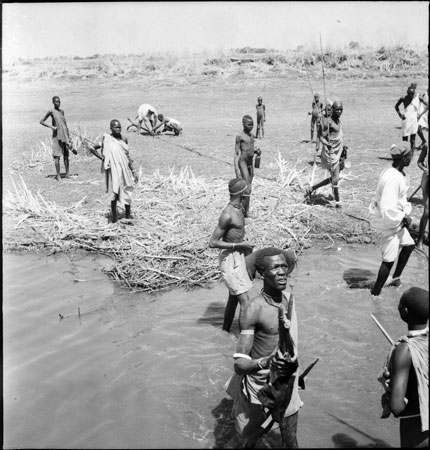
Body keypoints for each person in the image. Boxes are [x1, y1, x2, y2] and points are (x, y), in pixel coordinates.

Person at [225, 247, 302, 448]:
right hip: (260, 390)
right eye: (275, 267)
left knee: (291, 441)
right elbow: (240, 364)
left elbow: (287, 343)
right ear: (262, 274)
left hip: (286, 384)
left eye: (284, 266)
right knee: (246, 442)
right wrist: (266, 362)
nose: (282, 271)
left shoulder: (288, 298)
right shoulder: (253, 309)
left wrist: (295, 373)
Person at [377, 287, 428, 448]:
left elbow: (397, 406)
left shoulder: (404, 350)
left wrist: (388, 387)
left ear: (404, 311)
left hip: (418, 431)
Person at [369, 143, 415, 296]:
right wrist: (403, 217)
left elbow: (399, 200)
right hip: (386, 224)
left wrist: (404, 212)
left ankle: (396, 278)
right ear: (404, 158)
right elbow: (388, 208)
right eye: (410, 155)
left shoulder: (397, 173)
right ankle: (375, 294)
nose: (412, 157)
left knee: (409, 245)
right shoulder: (392, 178)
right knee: (389, 260)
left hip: (395, 222)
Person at [209, 178, 254, 331]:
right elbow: (213, 242)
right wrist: (239, 245)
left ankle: (225, 331)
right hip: (230, 259)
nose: (249, 191)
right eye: (247, 189)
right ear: (243, 192)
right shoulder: (227, 214)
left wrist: (243, 247)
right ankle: (244, 340)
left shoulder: (239, 207)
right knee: (245, 302)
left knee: (233, 298)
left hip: (238, 256)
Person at [221, 248, 297, 333]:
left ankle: (225, 330)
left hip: (237, 267)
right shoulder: (274, 258)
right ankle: (243, 335)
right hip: (239, 269)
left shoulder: (272, 255)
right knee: (245, 305)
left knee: (233, 300)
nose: (283, 272)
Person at [87, 120, 138, 223]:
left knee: (127, 191)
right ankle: (114, 217)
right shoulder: (106, 139)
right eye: (115, 127)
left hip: (124, 170)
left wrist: (133, 171)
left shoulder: (124, 139)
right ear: (111, 128)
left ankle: (128, 216)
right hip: (114, 170)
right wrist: (103, 159)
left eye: (119, 127)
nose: (118, 129)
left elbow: (127, 157)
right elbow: (92, 148)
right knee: (115, 193)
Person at [305, 100, 345, 208]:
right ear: (333, 110)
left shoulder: (338, 121)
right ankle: (337, 202)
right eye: (337, 110)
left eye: (341, 109)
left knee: (333, 178)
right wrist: (327, 144)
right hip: (331, 153)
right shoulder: (329, 122)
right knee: (335, 179)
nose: (340, 111)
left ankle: (311, 188)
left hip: (338, 152)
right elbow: (320, 136)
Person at [39, 96, 74, 181]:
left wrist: (69, 137)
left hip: (64, 135)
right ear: (53, 103)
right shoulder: (51, 111)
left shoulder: (62, 111)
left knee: (66, 155)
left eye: (59, 101)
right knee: (57, 156)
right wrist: (52, 127)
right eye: (56, 102)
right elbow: (41, 121)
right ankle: (58, 176)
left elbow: (65, 124)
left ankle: (67, 174)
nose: (58, 103)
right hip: (56, 136)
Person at [234, 115, 261, 218]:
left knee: (249, 188)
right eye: (249, 125)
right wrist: (237, 169)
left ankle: (246, 212)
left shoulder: (251, 136)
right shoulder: (240, 137)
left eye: (252, 125)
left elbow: (250, 149)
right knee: (247, 188)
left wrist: (256, 152)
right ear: (243, 124)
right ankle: (241, 212)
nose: (251, 126)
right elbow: (236, 154)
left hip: (250, 163)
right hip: (243, 162)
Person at [395, 86, 420, 153]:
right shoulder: (403, 98)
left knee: (412, 140)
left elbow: (427, 105)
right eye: (410, 94)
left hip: (414, 121)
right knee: (405, 140)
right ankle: (405, 154)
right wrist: (400, 114)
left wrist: (420, 114)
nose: (412, 95)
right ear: (408, 93)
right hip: (406, 121)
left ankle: (411, 154)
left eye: (413, 94)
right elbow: (396, 106)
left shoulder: (416, 98)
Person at [416, 144, 428, 251]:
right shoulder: (426, 146)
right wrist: (425, 169)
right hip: (428, 183)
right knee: (427, 212)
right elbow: (419, 162)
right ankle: (419, 241)